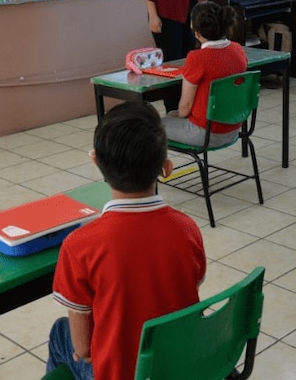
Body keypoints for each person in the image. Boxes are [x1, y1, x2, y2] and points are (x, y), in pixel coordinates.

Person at [46, 101, 206, 380]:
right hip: (179, 367)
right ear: (166, 168)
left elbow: (83, 349)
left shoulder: (78, 245)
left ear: (95, 161)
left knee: (61, 333)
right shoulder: (187, 228)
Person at [162, 1, 247, 148]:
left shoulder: (197, 58)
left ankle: (154, 168)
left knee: (152, 125)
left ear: (197, 32)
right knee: (171, 117)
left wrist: (179, 116)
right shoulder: (238, 50)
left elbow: (185, 107)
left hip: (205, 133)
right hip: (233, 129)